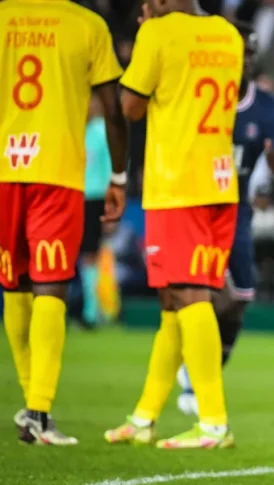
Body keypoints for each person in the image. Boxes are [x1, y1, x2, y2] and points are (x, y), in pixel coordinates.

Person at [103, 0, 243, 449]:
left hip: (177, 184)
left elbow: (130, 107)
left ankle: (213, 423)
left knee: (188, 295)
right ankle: (144, 417)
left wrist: (147, 38)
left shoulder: (158, 33)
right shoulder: (228, 34)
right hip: (219, 183)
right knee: (173, 301)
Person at [0, 0, 128, 445]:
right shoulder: (88, 25)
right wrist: (119, 177)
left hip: (6, 169)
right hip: (58, 172)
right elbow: (113, 109)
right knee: (50, 284)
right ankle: (39, 409)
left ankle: (32, 406)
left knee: (15, 285)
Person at [175, 22, 274, 418]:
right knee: (200, 292)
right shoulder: (199, 95)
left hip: (238, 210)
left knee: (238, 300)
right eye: (237, 52)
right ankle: (193, 376)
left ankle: (203, 370)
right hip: (195, 205)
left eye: (249, 54)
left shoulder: (268, 107)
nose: (243, 61)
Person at [81, 95, 115, 329]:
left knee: (91, 254)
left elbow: (111, 169)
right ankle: (91, 308)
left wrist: (109, 205)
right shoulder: (77, 130)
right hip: (75, 197)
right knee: (83, 255)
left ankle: (93, 312)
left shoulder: (102, 132)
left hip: (95, 199)